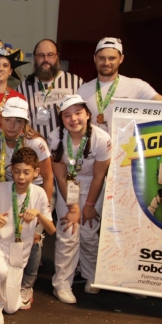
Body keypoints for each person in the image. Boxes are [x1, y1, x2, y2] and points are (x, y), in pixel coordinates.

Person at [0, 98, 53, 309]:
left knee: (34, 240)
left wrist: (40, 223)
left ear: (25, 123)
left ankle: (27, 284)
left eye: (18, 121)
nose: (12, 126)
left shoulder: (36, 143)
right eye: (8, 120)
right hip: (3, 191)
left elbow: (49, 178)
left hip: (32, 193)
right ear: (0, 119)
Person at [49, 95, 112, 304]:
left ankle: (91, 275)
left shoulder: (102, 139)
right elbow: (59, 175)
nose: (73, 119)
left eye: (78, 113)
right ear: (62, 119)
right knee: (68, 233)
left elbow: (99, 176)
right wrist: (74, 207)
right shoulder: (55, 137)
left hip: (93, 188)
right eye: (67, 115)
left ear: (88, 115)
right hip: (68, 187)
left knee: (89, 233)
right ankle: (62, 284)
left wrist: (89, 206)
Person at [0, 148, 55, 324]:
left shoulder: (39, 194)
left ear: (36, 173)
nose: (21, 177)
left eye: (26, 172)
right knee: (0, 271)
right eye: (16, 172)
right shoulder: (0, 188)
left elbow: (52, 230)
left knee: (12, 308)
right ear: (11, 170)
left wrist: (38, 214)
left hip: (19, 252)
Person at [76, 37, 162, 134]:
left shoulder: (137, 86)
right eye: (101, 58)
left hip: (123, 155)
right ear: (94, 59)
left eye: (112, 58)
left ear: (121, 59)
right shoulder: (83, 90)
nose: (106, 62)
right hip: (92, 157)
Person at [20, 39, 84, 138]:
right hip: (37, 148)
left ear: (57, 57)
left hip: (69, 148)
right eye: (41, 55)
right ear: (35, 58)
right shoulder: (23, 88)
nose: (46, 59)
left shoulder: (76, 82)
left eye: (50, 55)